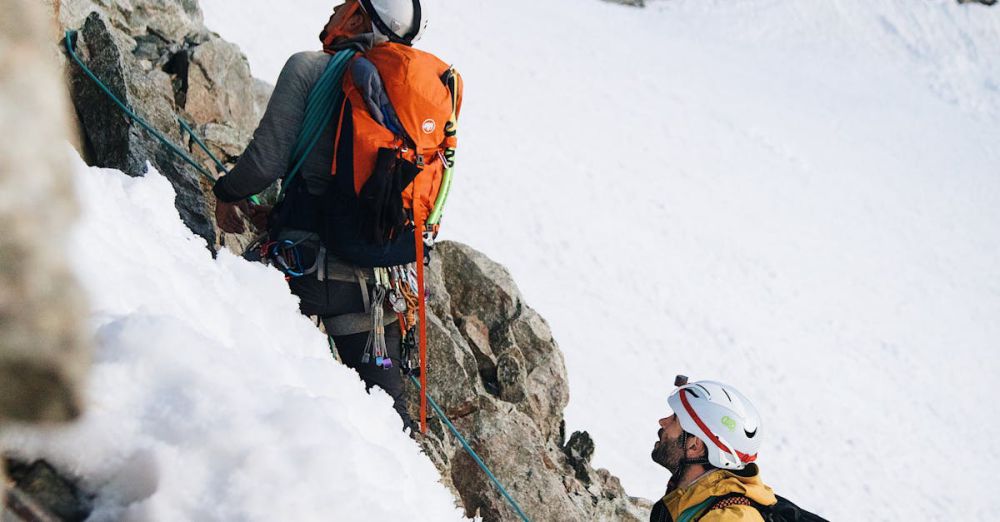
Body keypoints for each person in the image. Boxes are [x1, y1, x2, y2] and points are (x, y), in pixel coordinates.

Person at [213, 0, 439, 433]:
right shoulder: (408, 105)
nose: (335, 7)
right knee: (390, 425)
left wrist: (226, 193)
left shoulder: (308, 68)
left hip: (298, 268)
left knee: (225, 348)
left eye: (346, 3)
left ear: (358, 17)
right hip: (376, 287)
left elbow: (264, 164)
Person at [649, 377, 777, 522]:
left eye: (675, 419)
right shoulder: (691, 498)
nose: (663, 422)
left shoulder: (730, 519)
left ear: (694, 446)